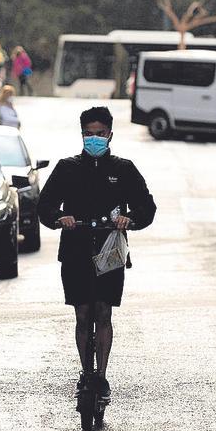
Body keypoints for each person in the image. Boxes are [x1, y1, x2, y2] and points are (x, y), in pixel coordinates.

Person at [37, 106, 156, 402]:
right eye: (88, 134)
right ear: (81, 135)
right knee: (82, 313)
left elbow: (147, 208)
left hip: (111, 250)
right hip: (75, 249)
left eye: (100, 134)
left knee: (103, 311)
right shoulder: (66, 168)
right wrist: (59, 218)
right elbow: (45, 206)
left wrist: (130, 219)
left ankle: (101, 376)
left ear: (110, 135)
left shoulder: (123, 169)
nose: (94, 139)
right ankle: (85, 373)